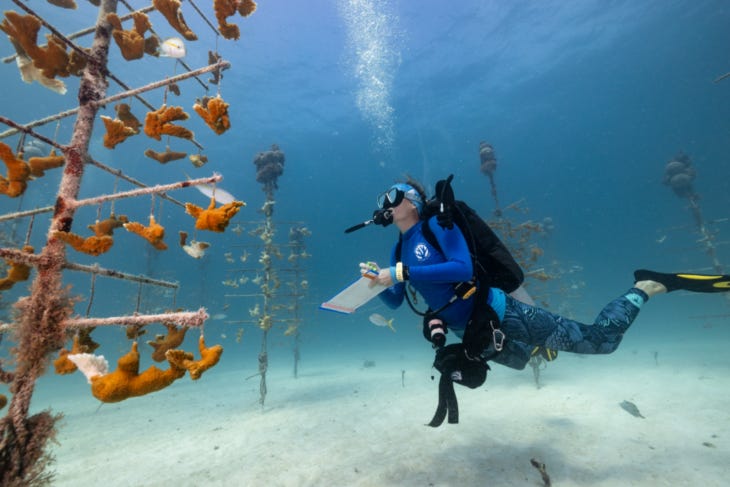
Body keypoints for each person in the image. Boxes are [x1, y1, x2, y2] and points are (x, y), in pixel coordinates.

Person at [361, 179, 730, 400]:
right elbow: (395, 302)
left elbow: (463, 268)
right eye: (382, 202)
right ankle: (541, 345)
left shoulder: (437, 226)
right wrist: (374, 284)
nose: (386, 206)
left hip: (499, 311)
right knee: (521, 361)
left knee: (601, 341)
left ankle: (646, 285)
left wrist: (402, 272)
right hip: (471, 331)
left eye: (392, 196)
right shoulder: (398, 249)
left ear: (411, 198)